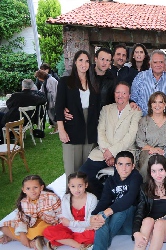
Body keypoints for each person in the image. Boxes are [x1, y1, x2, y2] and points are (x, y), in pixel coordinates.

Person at [79, 81, 141, 198]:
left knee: (124, 180)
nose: (120, 95)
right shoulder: (106, 109)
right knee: (83, 174)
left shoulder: (136, 112)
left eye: (124, 93)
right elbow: (100, 132)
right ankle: (104, 196)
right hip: (103, 152)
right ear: (114, 94)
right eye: (117, 92)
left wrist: (112, 152)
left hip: (124, 152)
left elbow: (130, 137)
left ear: (129, 95)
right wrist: (107, 153)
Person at [55, 50, 100, 179]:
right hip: (72, 128)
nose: (83, 64)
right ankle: (70, 196)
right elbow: (59, 107)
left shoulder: (93, 82)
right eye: (80, 60)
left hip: (90, 128)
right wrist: (61, 130)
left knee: (86, 170)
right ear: (75, 62)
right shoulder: (65, 82)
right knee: (72, 170)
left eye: (86, 61)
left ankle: (86, 197)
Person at [89, 151, 143, 250]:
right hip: (115, 223)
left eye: (128, 164)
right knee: (101, 215)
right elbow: (104, 200)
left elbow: (129, 199)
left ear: (133, 166)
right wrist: (94, 215)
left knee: (121, 210)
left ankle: (99, 245)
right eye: (120, 164)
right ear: (115, 166)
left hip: (129, 222)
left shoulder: (136, 177)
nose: (124, 168)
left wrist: (106, 213)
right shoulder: (111, 181)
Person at [132, 154, 166, 250]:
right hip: (151, 230)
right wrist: (136, 232)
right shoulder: (144, 188)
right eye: (154, 171)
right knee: (147, 220)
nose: (158, 175)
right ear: (150, 172)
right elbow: (139, 212)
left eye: (161, 170)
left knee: (160, 223)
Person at [0, 175, 61, 249]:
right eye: (28, 188)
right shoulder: (24, 202)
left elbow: (61, 214)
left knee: (41, 229)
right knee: (4, 227)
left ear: (41, 187)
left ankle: (14, 237)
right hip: (31, 225)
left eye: (35, 187)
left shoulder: (52, 197)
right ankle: (29, 242)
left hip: (47, 224)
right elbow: (21, 219)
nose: (32, 191)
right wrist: (22, 235)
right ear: (24, 190)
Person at [43, 172, 97, 250]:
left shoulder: (92, 198)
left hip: (83, 228)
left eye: (80, 186)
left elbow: (89, 222)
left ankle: (61, 241)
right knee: (47, 231)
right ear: (69, 186)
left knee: (93, 236)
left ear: (86, 185)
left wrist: (73, 225)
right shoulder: (66, 198)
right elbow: (66, 222)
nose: (76, 189)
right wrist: (78, 227)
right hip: (73, 227)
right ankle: (78, 245)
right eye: (73, 186)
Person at [131, 50, 166, 119]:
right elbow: (133, 100)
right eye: (155, 62)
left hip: (165, 122)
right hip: (143, 121)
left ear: (165, 63)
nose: (158, 65)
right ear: (150, 63)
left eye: (161, 62)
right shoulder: (140, 77)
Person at [136, 92, 166, 181]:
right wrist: (152, 149)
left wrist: (164, 152)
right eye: (154, 102)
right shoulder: (144, 121)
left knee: (160, 162)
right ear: (150, 105)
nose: (157, 105)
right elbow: (139, 141)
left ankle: (161, 191)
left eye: (160, 102)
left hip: (165, 153)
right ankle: (144, 189)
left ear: (165, 105)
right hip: (147, 151)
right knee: (151, 160)